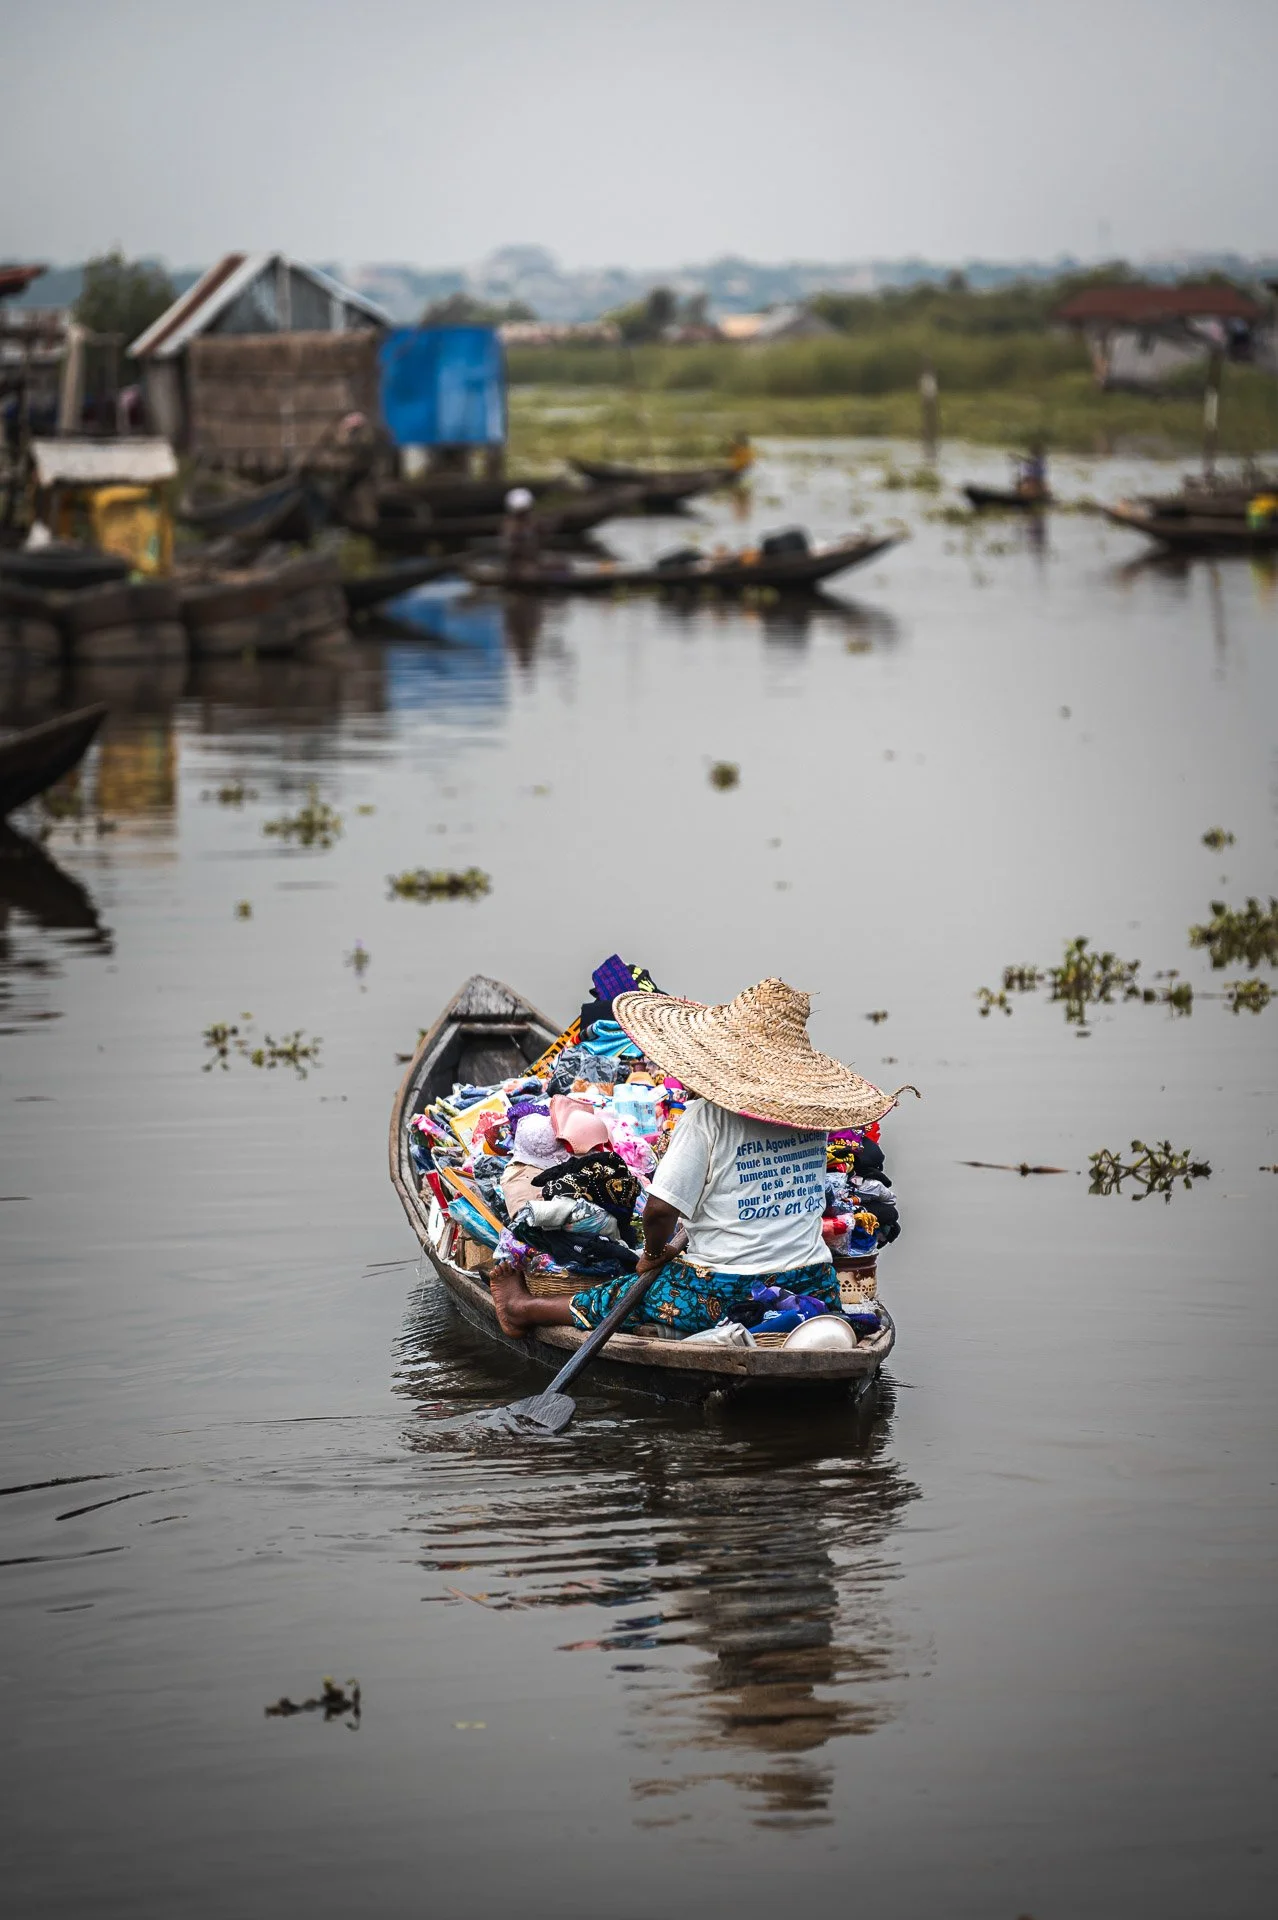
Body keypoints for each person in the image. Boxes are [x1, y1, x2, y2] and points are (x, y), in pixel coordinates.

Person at [486, 978, 908, 1340]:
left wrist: (652, 1253)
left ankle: (523, 1309)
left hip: (724, 1291)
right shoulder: (812, 1118)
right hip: (815, 1282)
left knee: (621, 1295)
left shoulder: (706, 1118)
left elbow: (659, 1210)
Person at [500, 486, 541, 576]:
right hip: (514, 564)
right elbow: (508, 547)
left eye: (524, 514)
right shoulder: (509, 524)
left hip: (529, 562)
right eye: (519, 514)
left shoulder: (532, 523)